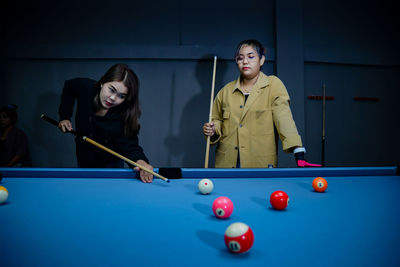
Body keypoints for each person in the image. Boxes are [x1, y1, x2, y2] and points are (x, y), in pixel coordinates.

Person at [202, 39, 320, 168]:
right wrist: (213, 129)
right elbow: (217, 120)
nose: (245, 61)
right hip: (226, 162)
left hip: (259, 163)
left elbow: (284, 119)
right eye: (240, 58)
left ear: (262, 60)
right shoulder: (225, 92)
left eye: (251, 57)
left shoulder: (273, 85)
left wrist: (299, 152)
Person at [58, 63, 154, 182]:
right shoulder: (86, 88)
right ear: (103, 82)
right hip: (84, 161)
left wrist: (141, 161)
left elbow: (130, 146)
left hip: (111, 167)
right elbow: (70, 86)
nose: (113, 98)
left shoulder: (122, 116)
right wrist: (65, 116)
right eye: (111, 90)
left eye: (121, 96)